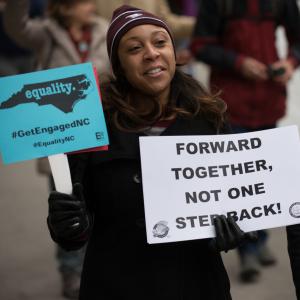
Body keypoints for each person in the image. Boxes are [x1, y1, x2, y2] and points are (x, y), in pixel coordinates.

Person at [46, 5, 257, 300]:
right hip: (116, 285)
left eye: (160, 42)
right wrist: (67, 225)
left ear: (174, 51)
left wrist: (234, 229)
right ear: (118, 65)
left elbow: (232, 202)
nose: (152, 53)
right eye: (134, 48)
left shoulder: (210, 119)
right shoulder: (92, 129)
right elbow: (75, 232)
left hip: (196, 285)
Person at [3, 0, 110, 298]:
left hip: (101, 137)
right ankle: (70, 271)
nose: (91, 6)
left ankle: (96, 266)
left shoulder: (103, 30)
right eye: (83, 2)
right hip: (60, 142)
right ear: (64, 8)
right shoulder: (45, 33)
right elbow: (15, 26)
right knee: (67, 207)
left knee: (101, 204)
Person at [190, 0, 300, 283]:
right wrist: (238, 62)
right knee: (238, 182)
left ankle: (259, 240)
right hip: (229, 105)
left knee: (262, 179)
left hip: (268, 101)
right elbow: (199, 45)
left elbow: (297, 38)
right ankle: (246, 248)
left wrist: (290, 62)